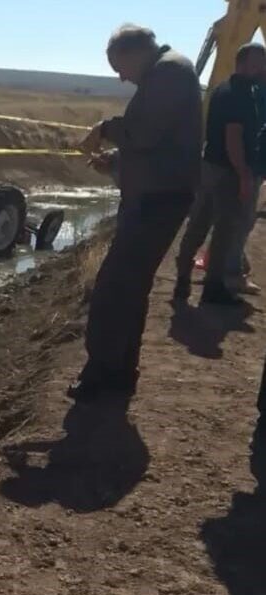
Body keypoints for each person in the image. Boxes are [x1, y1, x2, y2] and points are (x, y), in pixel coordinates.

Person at [70, 24, 203, 402]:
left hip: (157, 201)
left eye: (119, 66)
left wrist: (106, 129)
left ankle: (101, 375)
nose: (120, 76)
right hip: (157, 196)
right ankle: (119, 373)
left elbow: (142, 134)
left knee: (113, 289)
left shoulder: (170, 72)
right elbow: (158, 142)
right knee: (129, 289)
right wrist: (114, 162)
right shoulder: (167, 71)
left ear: (134, 53)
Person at [174, 43, 266, 305]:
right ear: (242, 62)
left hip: (211, 166)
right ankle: (214, 288)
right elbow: (233, 137)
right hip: (228, 171)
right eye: (258, 62)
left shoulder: (223, 90)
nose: (262, 67)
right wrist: (244, 175)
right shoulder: (240, 95)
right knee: (225, 229)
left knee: (199, 224)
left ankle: (183, 280)